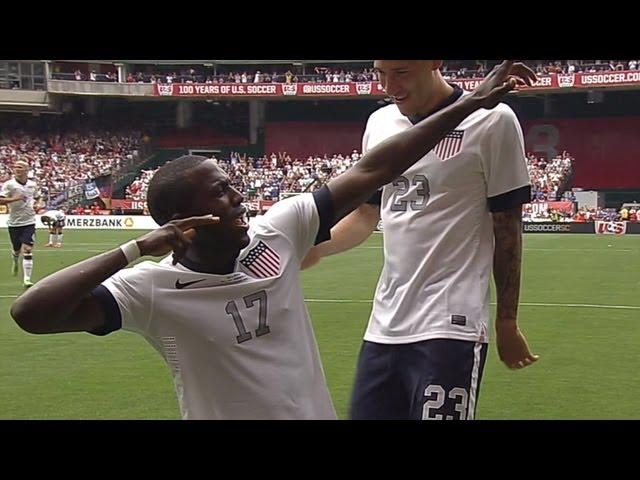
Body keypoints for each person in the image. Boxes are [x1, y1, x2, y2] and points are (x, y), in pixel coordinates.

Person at [10, 61, 535, 420]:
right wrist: (139, 248)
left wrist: (473, 105)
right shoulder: (152, 288)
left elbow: (375, 170)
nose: (241, 199)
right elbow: (31, 313)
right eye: (222, 193)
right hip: (391, 323)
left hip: (450, 318)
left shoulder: (275, 234)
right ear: (184, 222)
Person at [302, 60, 539, 420]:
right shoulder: (380, 124)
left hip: (451, 323)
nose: (387, 86)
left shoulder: (493, 120)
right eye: (379, 73)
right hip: (385, 324)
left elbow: (507, 227)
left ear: (434, 63)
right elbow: (367, 215)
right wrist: (316, 248)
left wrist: (507, 321)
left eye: (400, 72)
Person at [0, 161, 42, 288]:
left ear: (26, 170)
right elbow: (1, 200)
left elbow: (38, 197)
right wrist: (15, 199)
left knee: (28, 249)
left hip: (29, 221)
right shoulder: (9, 185)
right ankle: (15, 259)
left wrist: (38, 204)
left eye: (20, 167)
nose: (16, 169)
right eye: (15, 167)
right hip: (14, 223)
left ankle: (27, 279)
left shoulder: (32, 185)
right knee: (17, 249)